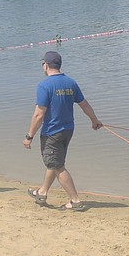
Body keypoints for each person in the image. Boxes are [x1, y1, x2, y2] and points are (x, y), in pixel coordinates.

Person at [22, 50, 103, 211]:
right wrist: (94, 120)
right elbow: (84, 104)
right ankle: (42, 192)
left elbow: (39, 114)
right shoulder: (70, 83)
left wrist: (29, 136)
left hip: (52, 132)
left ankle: (75, 201)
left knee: (58, 166)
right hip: (67, 130)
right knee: (55, 162)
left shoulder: (44, 85)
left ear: (45, 65)